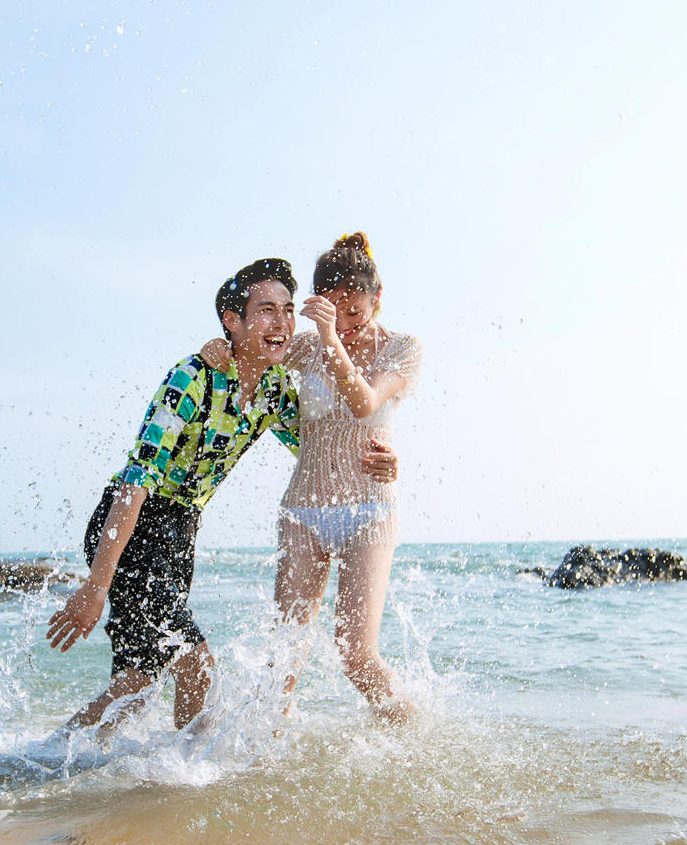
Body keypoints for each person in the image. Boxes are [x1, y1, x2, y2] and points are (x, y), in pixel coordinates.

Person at [46, 257, 398, 734]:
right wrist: (96, 586)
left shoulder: (275, 390)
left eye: (288, 310)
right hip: (132, 523)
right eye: (267, 310)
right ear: (234, 321)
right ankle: (187, 769)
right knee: (196, 664)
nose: (282, 322)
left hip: (180, 532)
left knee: (138, 682)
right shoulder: (192, 376)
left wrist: (386, 461)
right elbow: (135, 482)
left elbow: (320, 447)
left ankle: (53, 759)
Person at [201, 232, 422, 721]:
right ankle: (263, 756)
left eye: (354, 312)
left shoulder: (402, 348)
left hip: (370, 511)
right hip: (304, 511)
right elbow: (252, 350)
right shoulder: (304, 347)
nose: (343, 324)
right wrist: (219, 344)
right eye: (332, 311)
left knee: (356, 656)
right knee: (284, 656)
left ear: (377, 299)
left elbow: (364, 402)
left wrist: (328, 338)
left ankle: (419, 743)